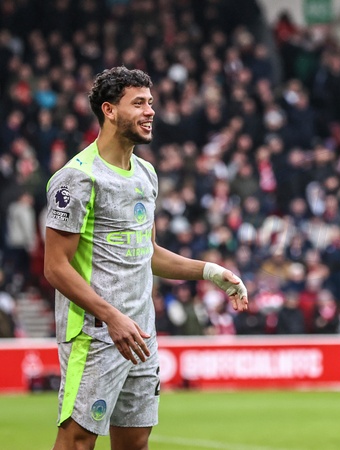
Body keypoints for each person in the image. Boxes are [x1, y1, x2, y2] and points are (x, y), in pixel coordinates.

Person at [43, 66, 248, 450]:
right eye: (138, 103)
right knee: (77, 442)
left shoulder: (146, 174)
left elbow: (147, 253)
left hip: (140, 333)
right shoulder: (77, 178)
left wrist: (210, 271)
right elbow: (55, 268)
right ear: (109, 110)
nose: (150, 111)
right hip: (95, 334)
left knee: (136, 442)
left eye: (150, 102)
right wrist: (112, 317)